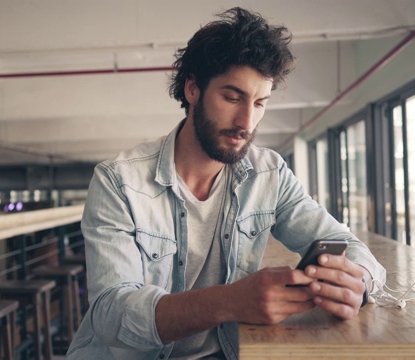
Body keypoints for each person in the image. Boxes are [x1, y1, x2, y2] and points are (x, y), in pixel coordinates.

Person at [66, 7, 386, 360]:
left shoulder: (269, 174)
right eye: (232, 98)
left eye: (259, 102)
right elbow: (112, 315)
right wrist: (232, 301)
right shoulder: (119, 182)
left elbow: (347, 246)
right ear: (192, 89)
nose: (246, 121)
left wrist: (359, 283)